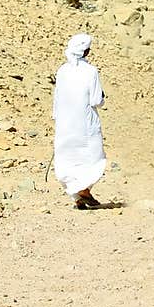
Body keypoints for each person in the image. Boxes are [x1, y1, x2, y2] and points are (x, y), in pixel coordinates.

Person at [52, 32, 106, 209]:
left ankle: (78, 197)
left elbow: (57, 98)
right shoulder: (91, 71)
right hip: (85, 123)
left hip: (65, 122)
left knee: (68, 157)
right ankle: (83, 190)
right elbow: (97, 100)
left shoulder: (62, 71)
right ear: (86, 52)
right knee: (92, 156)